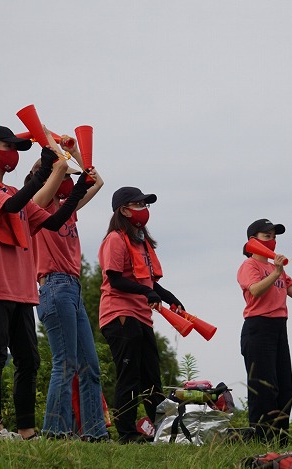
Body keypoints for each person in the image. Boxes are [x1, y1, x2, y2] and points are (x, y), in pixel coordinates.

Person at [0, 126, 91, 440]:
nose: (13, 152)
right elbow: (11, 208)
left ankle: (26, 431)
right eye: (9, 146)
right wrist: (43, 170)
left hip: (22, 289)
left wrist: (80, 185)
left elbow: (53, 220)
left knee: (29, 361)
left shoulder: (14, 191)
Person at [28, 141, 107, 441]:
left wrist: (75, 155)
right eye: (65, 175)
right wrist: (56, 161)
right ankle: (54, 431)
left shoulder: (66, 208)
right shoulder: (38, 205)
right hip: (54, 286)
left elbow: (96, 180)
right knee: (66, 363)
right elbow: (40, 196)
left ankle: (95, 433)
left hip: (72, 288)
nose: (70, 181)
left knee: (90, 366)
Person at [98, 187, 185, 444]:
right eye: (138, 204)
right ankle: (126, 433)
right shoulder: (115, 239)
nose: (144, 209)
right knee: (130, 375)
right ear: (124, 210)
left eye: (145, 204)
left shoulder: (142, 243)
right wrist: (147, 294)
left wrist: (170, 298)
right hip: (119, 313)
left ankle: (162, 430)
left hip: (141, 316)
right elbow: (115, 280)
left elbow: (149, 284)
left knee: (151, 377)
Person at [237, 219, 292, 444]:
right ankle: (261, 437)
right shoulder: (249, 266)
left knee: (284, 386)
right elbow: (255, 290)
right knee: (263, 386)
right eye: (267, 236)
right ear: (252, 240)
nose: (272, 240)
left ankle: (281, 437)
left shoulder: (276, 268)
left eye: (274, 236)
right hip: (258, 327)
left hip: (279, 328)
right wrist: (277, 272)